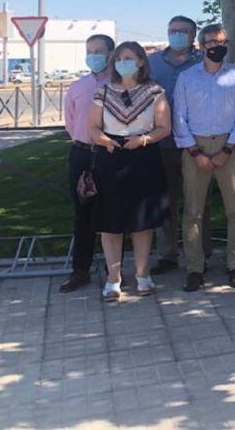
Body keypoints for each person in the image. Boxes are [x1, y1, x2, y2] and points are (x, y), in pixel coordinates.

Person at [87, 42, 172, 300]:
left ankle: (143, 275)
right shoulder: (103, 92)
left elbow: (163, 127)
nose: (123, 62)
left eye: (129, 58)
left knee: (142, 221)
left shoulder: (154, 92)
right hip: (110, 157)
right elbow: (92, 126)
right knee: (109, 223)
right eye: (119, 58)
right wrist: (104, 140)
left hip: (143, 156)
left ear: (141, 62)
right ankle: (113, 279)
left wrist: (143, 140)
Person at [173, 23, 235, 291]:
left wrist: (228, 149)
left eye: (222, 41)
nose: (217, 46)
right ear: (201, 45)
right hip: (195, 146)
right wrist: (194, 151)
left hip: (229, 146)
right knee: (194, 212)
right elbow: (179, 116)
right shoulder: (187, 77)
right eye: (211, 42)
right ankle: (195, 268)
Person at [149, 15, 207, 275]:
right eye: (173, 31)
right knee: (166, 201)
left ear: (193, 36)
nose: (178, 35)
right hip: (160, 144)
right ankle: (168, 255)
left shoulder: (204, 62)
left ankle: (201, 254)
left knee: (198, 202)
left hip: (195, 143)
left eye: (183, 31)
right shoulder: (151, 64)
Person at [59, 33, 115, 293]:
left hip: (110, 155)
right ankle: (80, 270)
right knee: (82, 215)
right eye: (89, 50)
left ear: (110, 54)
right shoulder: (77, 86)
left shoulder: (118, 85)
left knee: (111, 213)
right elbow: (71, 122)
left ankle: (112, 271)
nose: (93, 55)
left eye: (99, 51)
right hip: (82, 154)